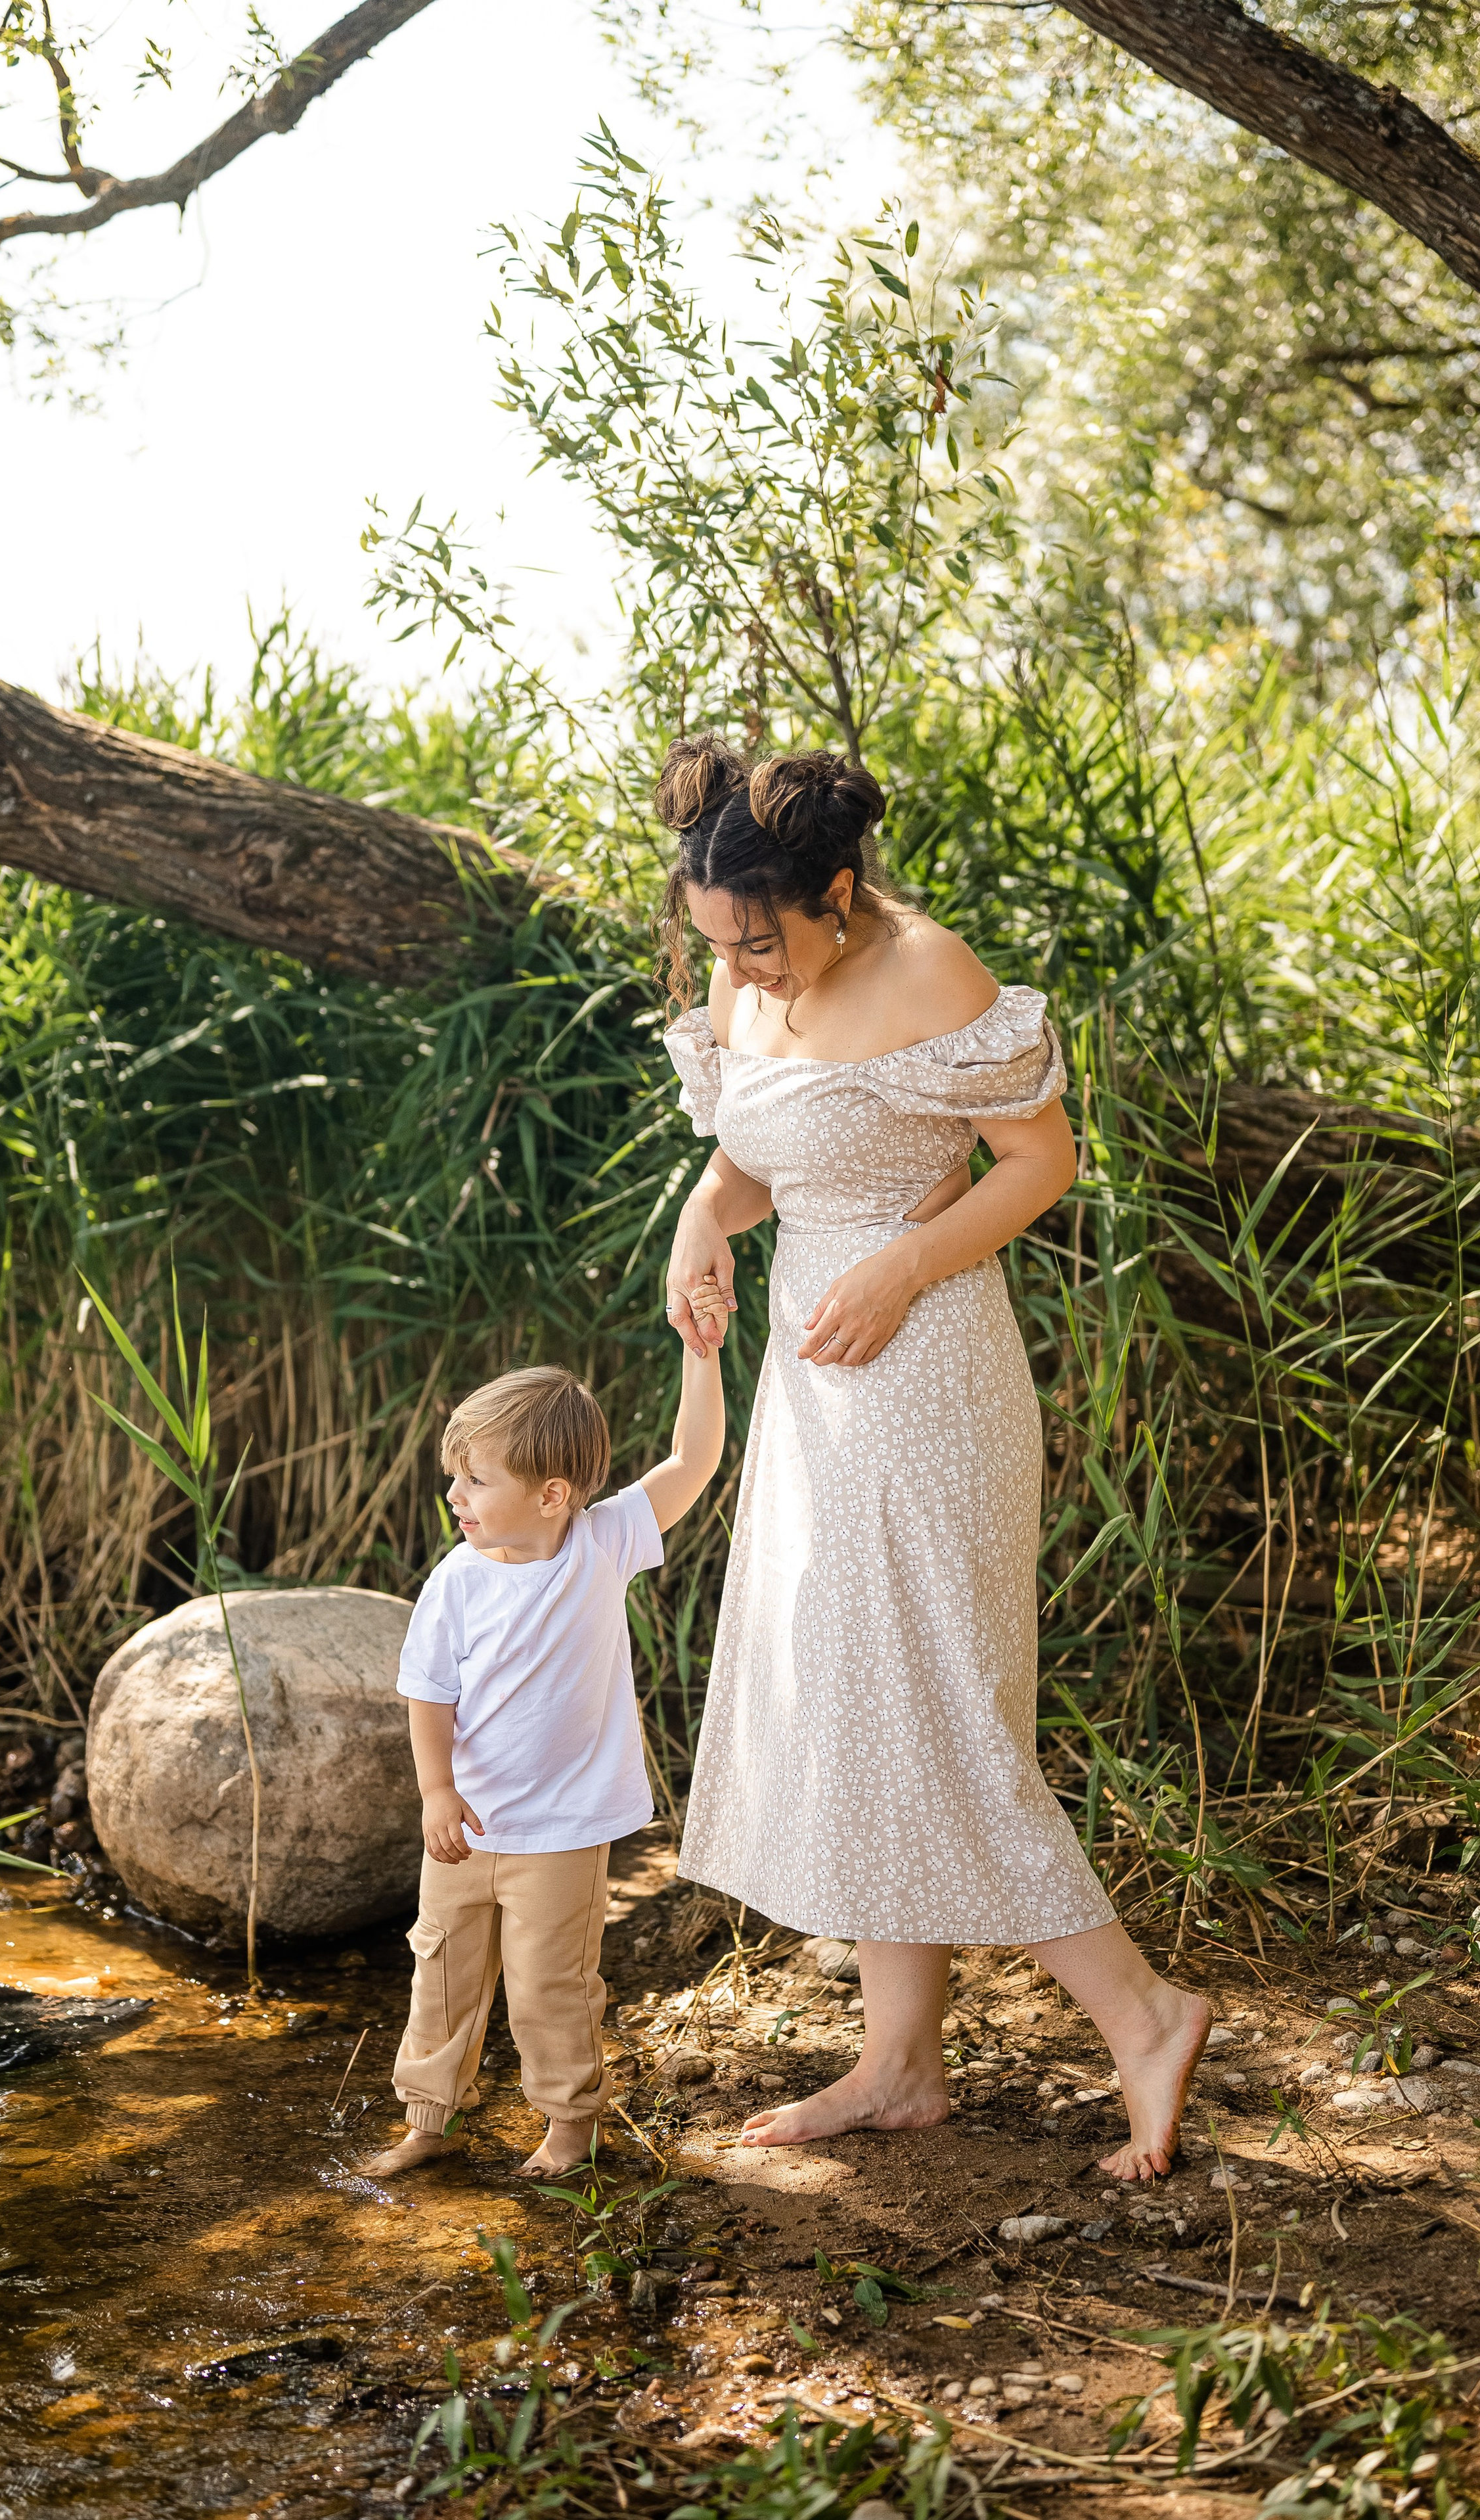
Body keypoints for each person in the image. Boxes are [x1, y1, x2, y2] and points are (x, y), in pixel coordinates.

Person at [657, 736, 1209, 2184]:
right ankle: (900, 2059)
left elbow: (1040, 1163)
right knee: (858, 1696)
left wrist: (903, 1265)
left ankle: (1142, 2015)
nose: (740, 967)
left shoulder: (930, 974)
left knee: (936, 1704)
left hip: (925, 1363)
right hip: (811, 1373)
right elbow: (746, 1153)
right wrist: (698, 1222)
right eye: (718, 941)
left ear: (836, 892)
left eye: (760, 940)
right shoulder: (743, 956)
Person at [365, 1330, 727, 2181]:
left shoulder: (601, 1545)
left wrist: (699, 1351)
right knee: (442, 1977)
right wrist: (436, 1792)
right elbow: (428, 1692)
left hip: (562, 1835)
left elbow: (695, 1458)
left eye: (476, 1479)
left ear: (553, 1494)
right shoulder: (457, 1579)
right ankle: (429, 2121)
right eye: (456, 1474)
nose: (454, 1493)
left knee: (549, 1989)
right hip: (468, 1831)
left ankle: (569, 2128)